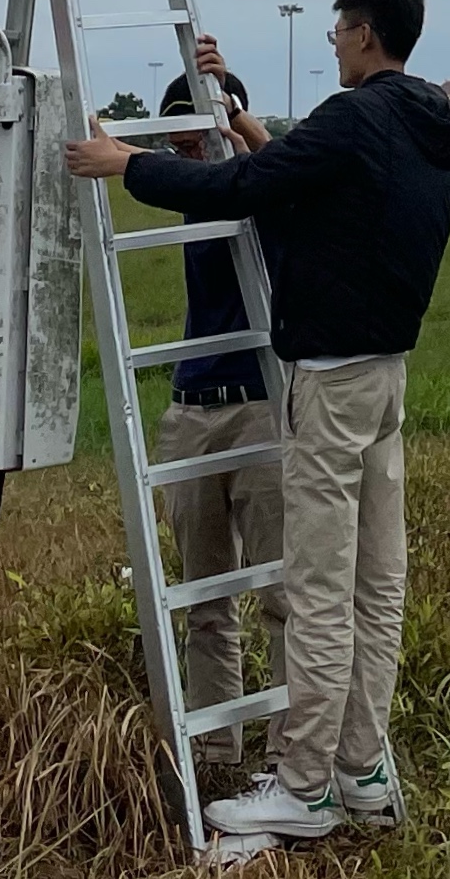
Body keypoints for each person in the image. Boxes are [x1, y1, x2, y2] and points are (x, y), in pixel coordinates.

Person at [67, 0, 450, 839]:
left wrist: (126, 162)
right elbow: (299, 176)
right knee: (375, 583)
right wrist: (242, 122)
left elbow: (244, 190)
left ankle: (306, 787)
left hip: (325, 377)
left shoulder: (354, 117)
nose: (331, 47)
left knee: (317, 588)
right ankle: (360, 770)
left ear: (362, 34)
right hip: (387, 373)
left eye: (335, 35)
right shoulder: (425, 125)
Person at [152, 44, 289, 775]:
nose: (187, 158)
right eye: (176, 146)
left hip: (260, 405)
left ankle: (294, 755)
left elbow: (280, 177)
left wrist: (237, 118)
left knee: (280, 592)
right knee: (205, 599)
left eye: (199, 140)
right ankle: (214, 755)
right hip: (190, 406)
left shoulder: (267, 187)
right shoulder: (194, 190)